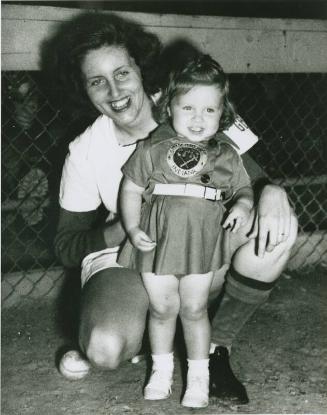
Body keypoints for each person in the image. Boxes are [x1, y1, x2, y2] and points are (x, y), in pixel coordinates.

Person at [50, 12, 298, 404]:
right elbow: (66, 246)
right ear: (84, 90)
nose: (114, 90)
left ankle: (217, 349)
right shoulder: (84, 151)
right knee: (105, 347)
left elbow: (251, 174)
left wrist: (272, 192)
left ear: (141, 70)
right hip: (132, 255)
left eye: (122, 73)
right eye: (96, 81)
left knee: (279, 227)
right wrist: (125, 227)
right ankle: (146, 339)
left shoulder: (192, 101)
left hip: (199, 239)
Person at [117, 53, 254, 408]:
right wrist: (132, 228)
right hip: (157, 239)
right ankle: (160, 371)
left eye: (209, 110)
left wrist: (241, 204)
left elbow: (243, 189)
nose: (198, 118)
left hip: (201, 242)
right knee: (162, 308)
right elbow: (131, 188)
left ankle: (199, 375)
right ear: (169, 107)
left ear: (223, 113)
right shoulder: (151, 147)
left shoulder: (226, 154)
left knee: (194, 309)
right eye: (188, 107)